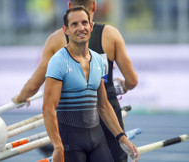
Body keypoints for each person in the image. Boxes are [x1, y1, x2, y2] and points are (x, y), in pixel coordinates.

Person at [13, 0, 138, 161]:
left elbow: (33, 85)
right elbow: (132, 81)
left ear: (69, 6)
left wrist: (19, 98)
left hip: (84, 121)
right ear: (94, 5)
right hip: (105, 120)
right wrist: (122, 87)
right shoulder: (111, 35)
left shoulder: (56, 40)